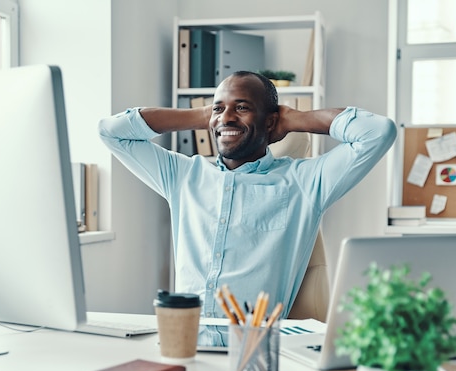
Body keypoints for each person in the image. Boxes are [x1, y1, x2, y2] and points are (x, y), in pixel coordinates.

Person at [99, 71, 396, 342]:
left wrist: (293, 119)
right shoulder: (183, 175)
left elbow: (378, 132)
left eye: (241, 107)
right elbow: (111, 131)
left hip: (254, 354)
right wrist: (206, 115)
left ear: (270, 120)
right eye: (219, 107)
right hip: (185, 344)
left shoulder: (304, 182)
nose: (227, 117)